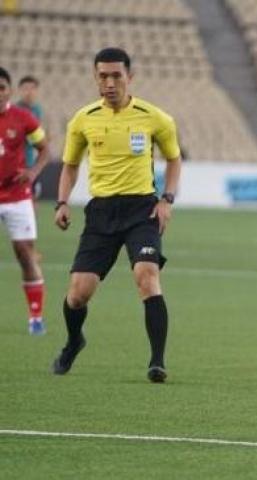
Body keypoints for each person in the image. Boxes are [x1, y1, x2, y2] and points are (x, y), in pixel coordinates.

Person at [51, 48, 182, 383]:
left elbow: (174, 159)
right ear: (96, 78)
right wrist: (62, 202)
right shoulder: (83, 119)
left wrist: (166, 199)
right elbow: (69, 165)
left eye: (116, 76)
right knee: (78, 293)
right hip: (101, 213)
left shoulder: (154, 117)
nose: (109, 83)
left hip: (142, 209)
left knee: (147, 275)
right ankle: (73, 341)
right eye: (103, 76)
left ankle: (157, 362)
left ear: (130, 77)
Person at [0, 66, 50, 335]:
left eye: (1, 88)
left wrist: (32, 172)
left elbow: (44, 149)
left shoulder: (24, 118)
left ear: (9, 90)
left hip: (17, 196)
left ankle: (36, 317)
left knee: (25, 254)